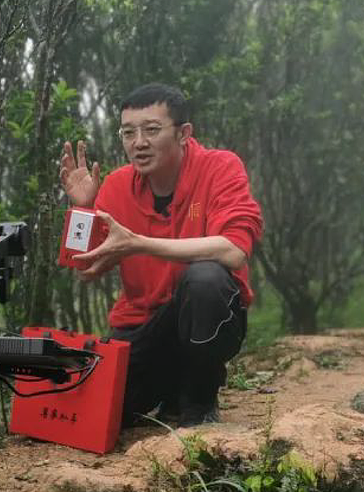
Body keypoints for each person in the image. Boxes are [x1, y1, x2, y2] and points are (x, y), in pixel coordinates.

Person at [58, 84, 263, 427]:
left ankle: (199, 401)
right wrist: (83, 210)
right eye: (128, 132)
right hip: (142, 328)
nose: (138, 142)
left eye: (152, 130)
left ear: (183, 133)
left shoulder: (220, 168)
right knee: (104, 413)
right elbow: (85, 270)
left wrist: (139, 243)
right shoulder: (117, 186)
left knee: (205, 278)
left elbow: (233, 250)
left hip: (211, 317)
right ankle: (170, 388)